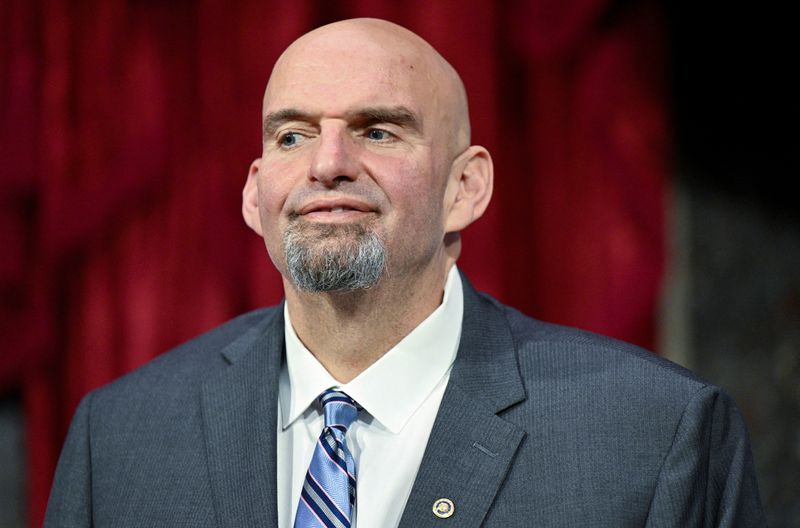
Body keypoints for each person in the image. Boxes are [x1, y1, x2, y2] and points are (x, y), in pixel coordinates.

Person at [45, 18, 765, 527]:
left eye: (377, 130)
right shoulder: (120, 438)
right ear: (253, 194)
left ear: (466, 188)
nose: (327, 164)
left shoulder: (656, 433)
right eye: (292, 135)